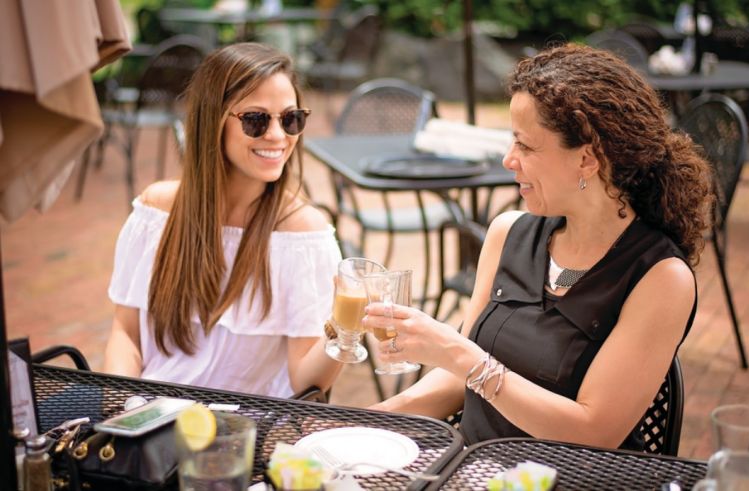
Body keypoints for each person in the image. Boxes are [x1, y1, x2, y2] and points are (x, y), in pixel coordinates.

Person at [366, 43, 714, 449]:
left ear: (587, 159)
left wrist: (459, 353)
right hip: (473, 471)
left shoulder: (660, 279)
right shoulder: (507, 234)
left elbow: (594, 431)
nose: (508, 160)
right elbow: (457, 382)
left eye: (525, 146)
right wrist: (368, 422)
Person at [103, 43, 342, 398]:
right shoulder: (157, 212)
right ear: (212, 121)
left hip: (249, 433)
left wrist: (345, 328)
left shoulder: (303, 235)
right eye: (256, 120)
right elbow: (126, 335)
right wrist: (122, 410)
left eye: (291, 119)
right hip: (150, 417)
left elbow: (306, 383)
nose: (278, 136)